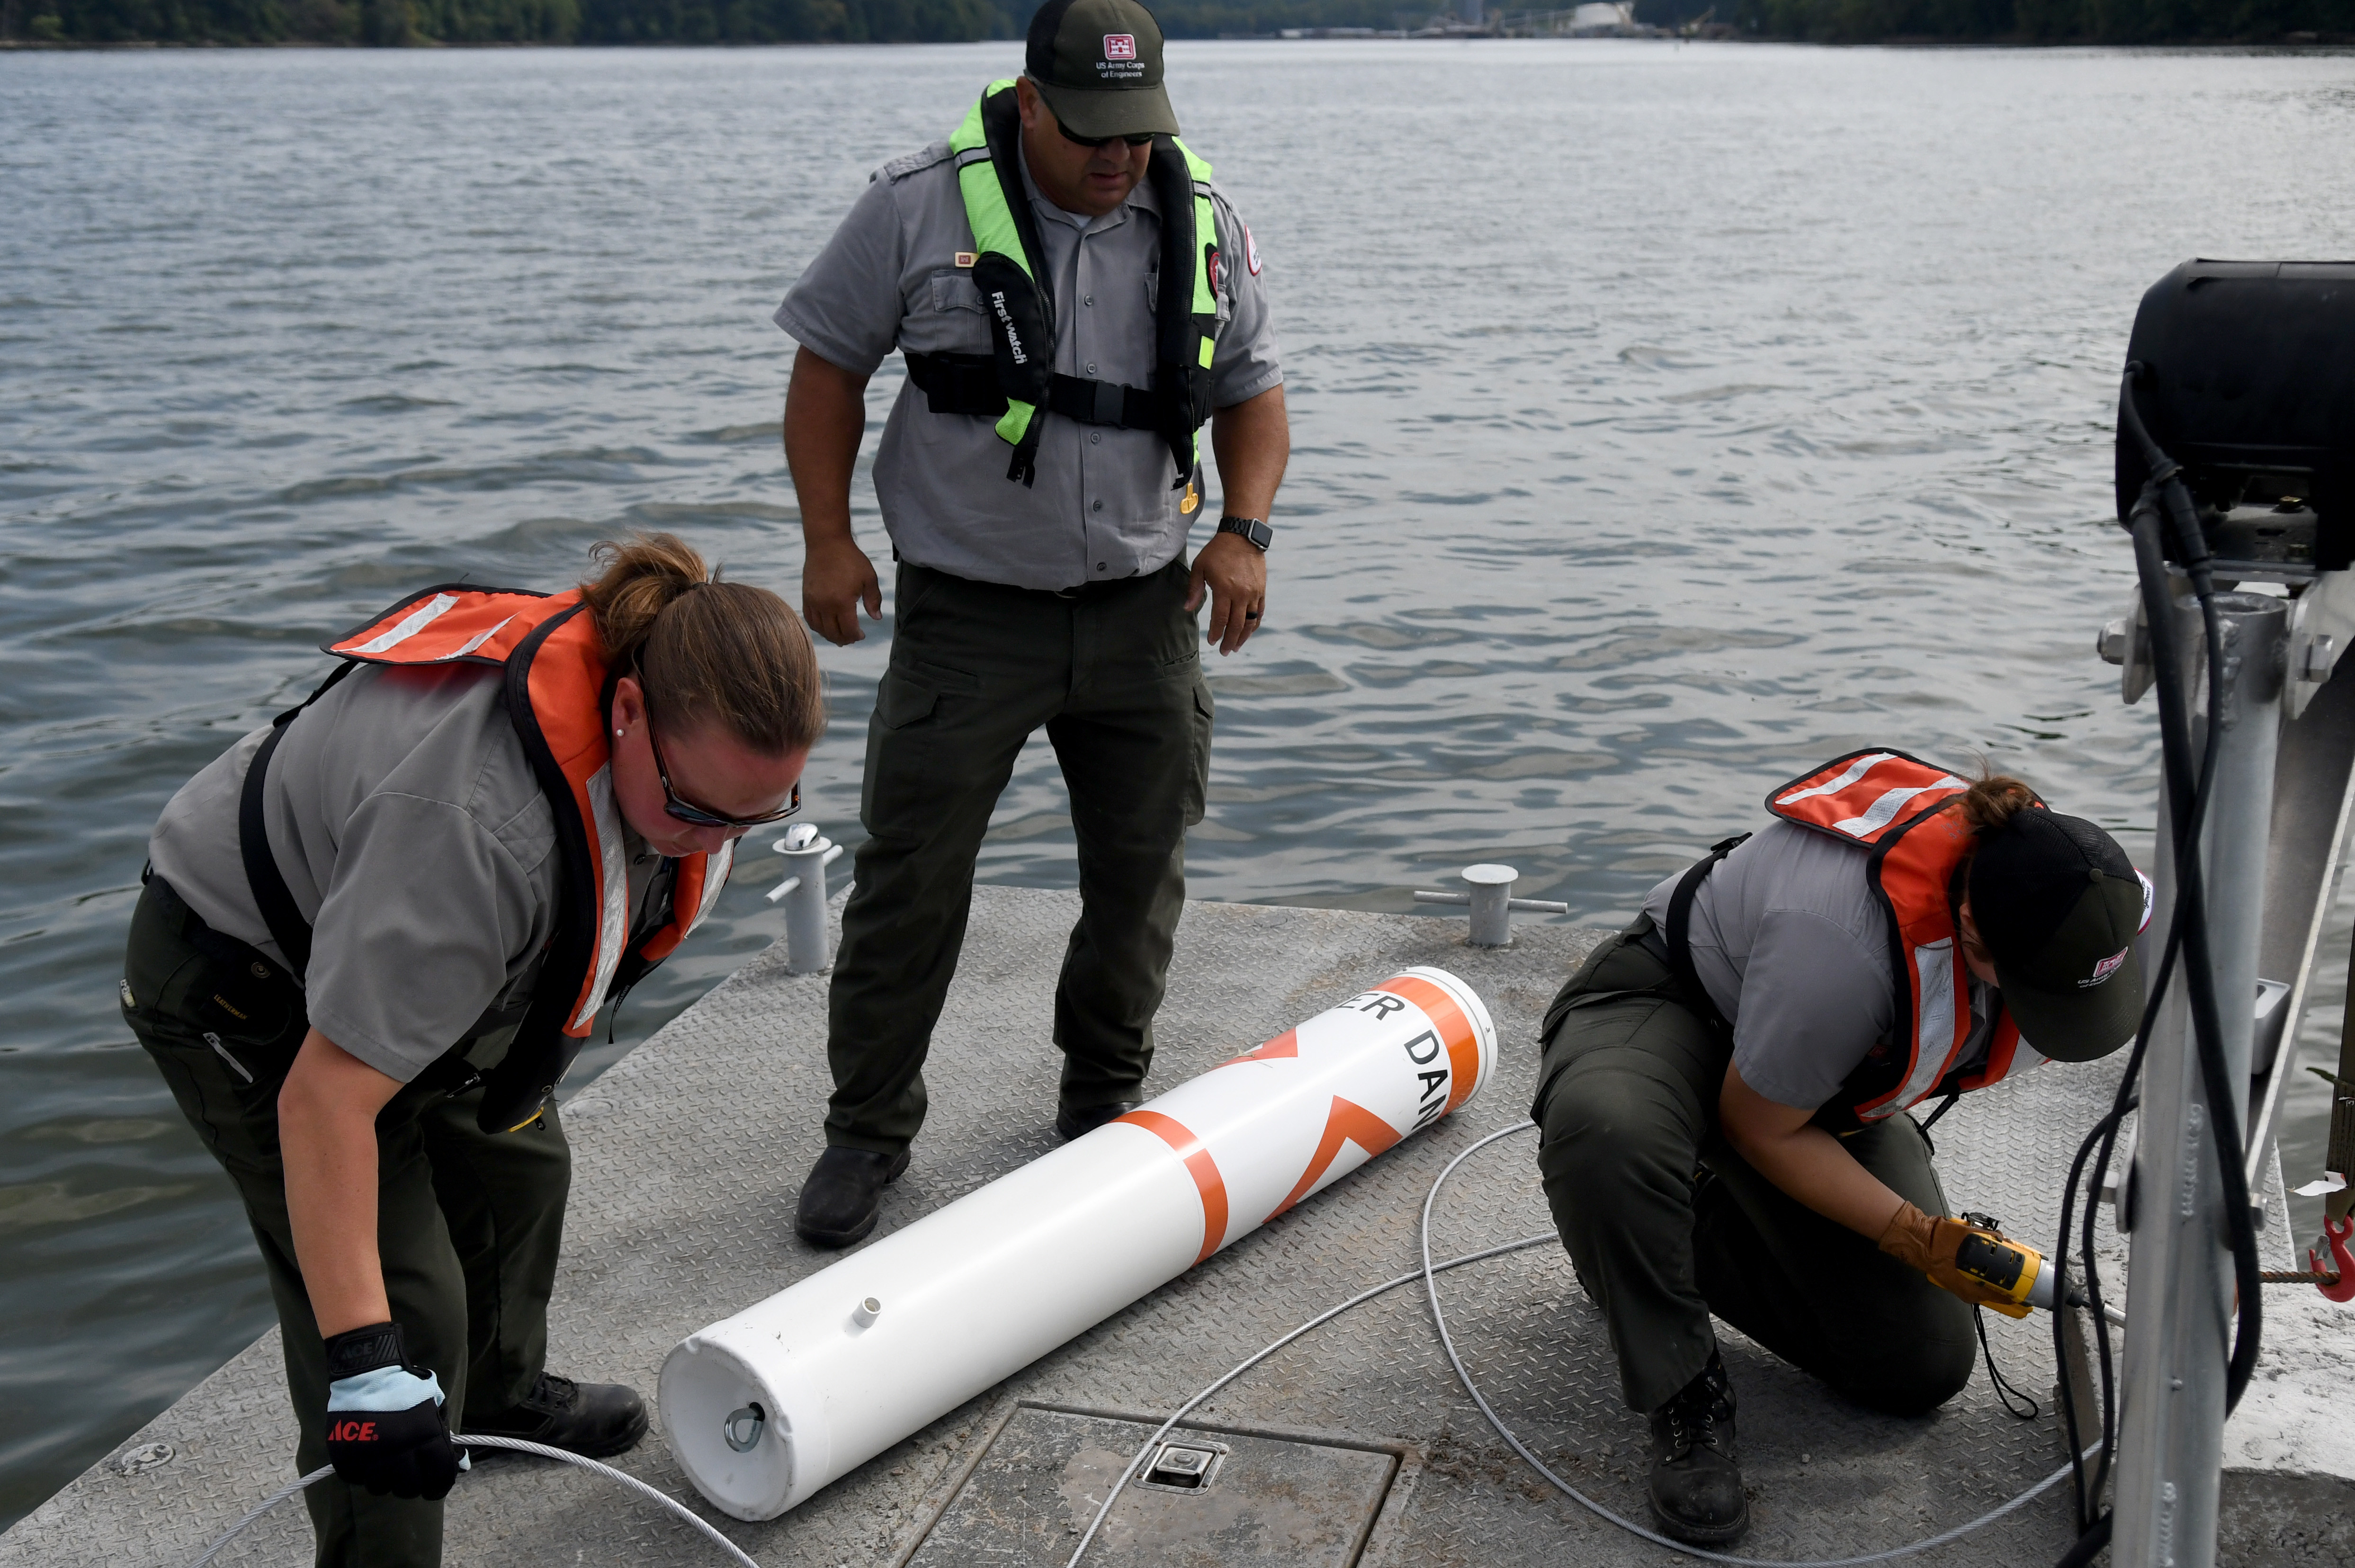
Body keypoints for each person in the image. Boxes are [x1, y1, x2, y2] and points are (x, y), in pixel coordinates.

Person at [122, 535, 821, 1567]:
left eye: (754, 819)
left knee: (521, 1168)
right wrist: (365, 1366)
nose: (714, 844)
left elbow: (629, 868)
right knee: (405, 1313)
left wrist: (692, 819)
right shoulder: (479, 831)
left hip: (399, 938)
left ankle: (499, 1402)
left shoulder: (678, 766)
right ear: (626, 714)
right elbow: (323, 1103)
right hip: (245, 976)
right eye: (691, 812)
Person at [772, 0, 1288, 1247]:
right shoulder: (910, 204)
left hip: (1141, 614)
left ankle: (1102, 1099)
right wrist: (828, 540)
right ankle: (867, 1131)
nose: (1116, 159)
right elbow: (825, 372)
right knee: (908, 878)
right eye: (1092, 134)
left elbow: (1253, 399)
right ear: (1029, 101)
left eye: (1138, 133)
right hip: (965, 617)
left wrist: (1244, 530)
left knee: (1138, 872)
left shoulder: (1199, 219)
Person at [1531, 749, 2149, 1546]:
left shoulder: (2088, 896)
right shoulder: (1843, 940)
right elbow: (1762, 1126)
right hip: (1680, 1005)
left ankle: (1649, 1235)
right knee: (1607, 1132)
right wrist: (1918, 1237)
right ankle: (1678, 1384)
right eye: (2034, 996)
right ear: (1968, 930)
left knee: (1916, 1365)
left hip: (1811, 1072)